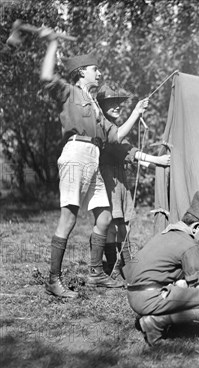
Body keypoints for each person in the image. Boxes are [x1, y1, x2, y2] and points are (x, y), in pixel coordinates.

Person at [39, 32, 154, 298]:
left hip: (94, 155)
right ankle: (53, 281)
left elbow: (115, 137)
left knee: (104, 216)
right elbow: (46, 77)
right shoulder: (68, 92)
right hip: (76, 152)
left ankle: (95, 274)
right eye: (95, 69)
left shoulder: (95, 105)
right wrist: (52, 42)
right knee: (68, 218)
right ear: (81, 73)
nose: (99, 73)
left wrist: (136, 113)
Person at [125, 191, 199, 346]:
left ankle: (155, 318)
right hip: (149, 298)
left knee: (182, 284)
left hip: (133, 295)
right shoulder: (189, 244)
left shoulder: (166, 233)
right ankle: (156, 321)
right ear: (195, 227)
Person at [96, 85, 170, 285]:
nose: (117, 107)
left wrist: (152, 161)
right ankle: (112, 267)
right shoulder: (103, 125)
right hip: (108, 179)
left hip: (120, 180)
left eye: (119, 103)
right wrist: (157, 160)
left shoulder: (116, 127)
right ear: (102, 107)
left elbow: (129, 151)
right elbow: (125, 148)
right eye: (111, 103)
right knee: (112, 225)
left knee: (124, 225)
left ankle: (127, 267)